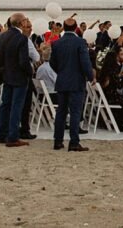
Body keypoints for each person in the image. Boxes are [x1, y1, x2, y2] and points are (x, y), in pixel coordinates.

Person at [50, 18, 93, 151]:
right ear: (75, 28)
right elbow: (85, 63)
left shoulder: (57, 43)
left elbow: (52, 63)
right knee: (75, 112)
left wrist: (61, 71)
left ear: (64, 27)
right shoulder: (80, 42)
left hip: (62, 81)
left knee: (61, 112)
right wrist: (90, 76)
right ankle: (74, 141)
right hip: (76, 81)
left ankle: (58, 141)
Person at [0, 13, 32, 147]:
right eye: (25, 20)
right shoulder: (22, 38)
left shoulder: (1, 37)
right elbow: (23, 60)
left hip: (6, 74)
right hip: (19, 76)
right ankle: (13, 136)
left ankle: (0, 134)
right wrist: (30, 72)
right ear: (21, 23)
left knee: (5, 105)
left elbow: (0, 58)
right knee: (17, 106)